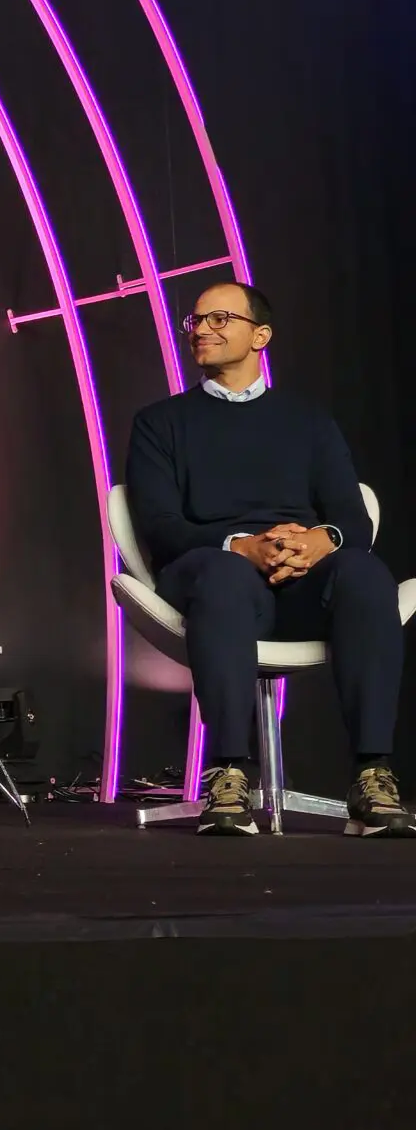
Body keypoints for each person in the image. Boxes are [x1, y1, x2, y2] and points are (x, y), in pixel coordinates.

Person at [126, 280, 410, 837]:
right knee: (225, 576)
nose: (201, 330)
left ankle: (373, 774)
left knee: (364, 573)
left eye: (219, 319)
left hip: (299, 580)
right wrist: (242, 546)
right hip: (211, 572)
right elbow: (160, 528)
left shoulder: (309, 421)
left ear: (261, 335)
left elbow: (352, 519)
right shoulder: (159, 424)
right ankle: (230, 771)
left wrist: (317, 541)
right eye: (195, 321)